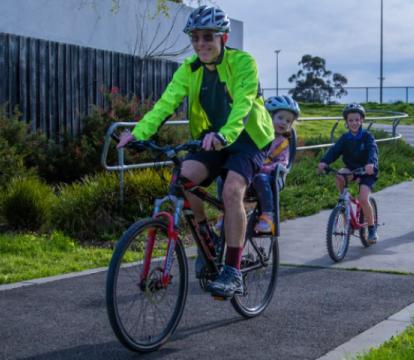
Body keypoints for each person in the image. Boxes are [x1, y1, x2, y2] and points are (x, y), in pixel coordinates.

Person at [117, 5, 274, 298]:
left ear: (223, 38)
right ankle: (207, 237)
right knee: (182, 177)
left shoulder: (243, 63)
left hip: (247, 139)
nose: (201, 43)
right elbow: (165, 104)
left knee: (231, 191)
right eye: (195, 38)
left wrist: (224, 135)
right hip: (209, 139)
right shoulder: (188, 70)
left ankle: (232, 270)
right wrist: (138, 134)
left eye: (208, 37)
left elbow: (243, 104)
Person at [215, 95, 300, 234]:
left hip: (271, 177)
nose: (284, 122)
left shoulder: (283, 142)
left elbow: (283, 162)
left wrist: (264, 168)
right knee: (222, 179)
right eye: (280, 118)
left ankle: (267, 216)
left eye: (288, 121)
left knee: (260, 178)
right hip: (249, 173)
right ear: (267, 117)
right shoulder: (256, 135)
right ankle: (225, 212)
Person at [317, 103, 379, 242]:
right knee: (339, 174)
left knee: (363, 199)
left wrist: (371, 164)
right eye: (350, 120)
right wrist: (324, 162)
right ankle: (345, 203)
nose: (354, 123)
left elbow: (373, 151)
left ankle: (371, 229)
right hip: (352, 169)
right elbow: (334, 151)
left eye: (357, 120)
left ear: (362, 120)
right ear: (346, 122)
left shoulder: (367, 137)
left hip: (367, 171)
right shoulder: (345, 138)